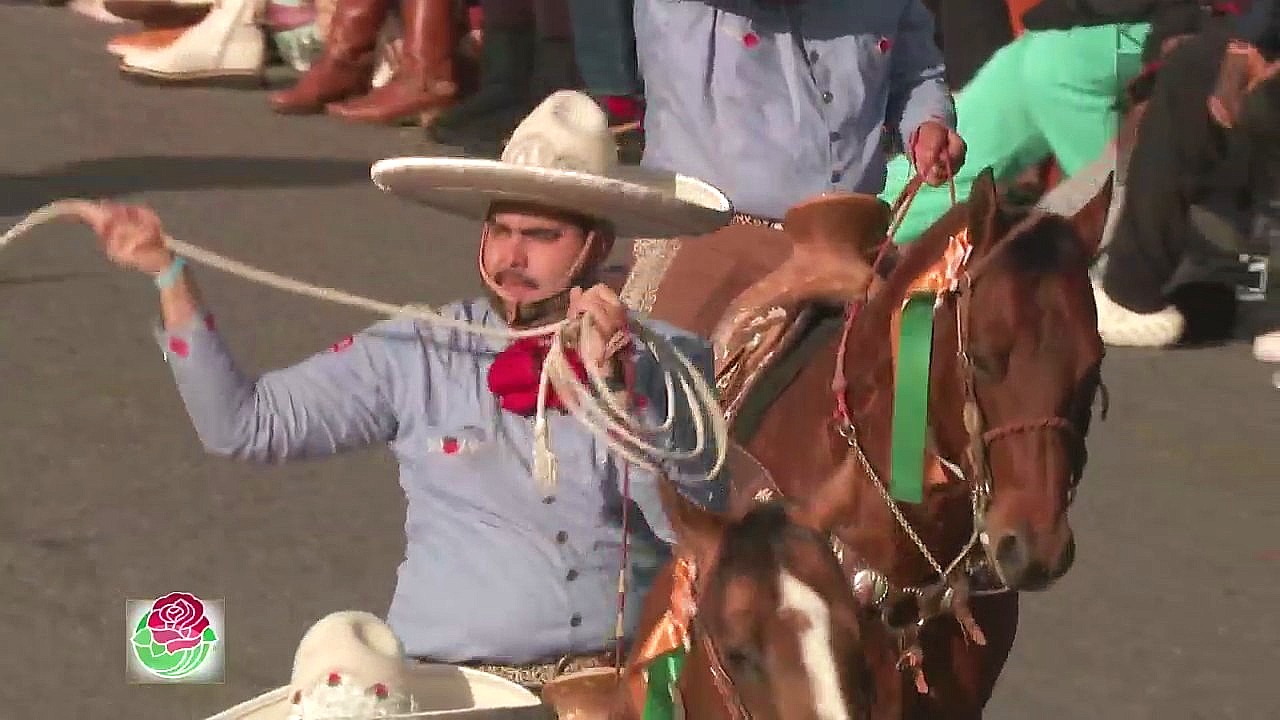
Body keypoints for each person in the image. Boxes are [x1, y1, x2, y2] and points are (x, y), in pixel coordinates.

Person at [76, 91, 733, 690]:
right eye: (500, 231)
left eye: (541, 237)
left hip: (615, 683)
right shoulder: (418, 349)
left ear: (596, 245)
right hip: (451, 682)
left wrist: (623, 394)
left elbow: (697, 527)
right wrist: (170, 280)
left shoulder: (666, 361)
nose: (513, 257)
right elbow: (243, 426)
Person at [620, 0, 966, 317]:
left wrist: (926, 124)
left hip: (854, 244)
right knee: (676, 375)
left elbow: (916, 74)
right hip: (706, 236)